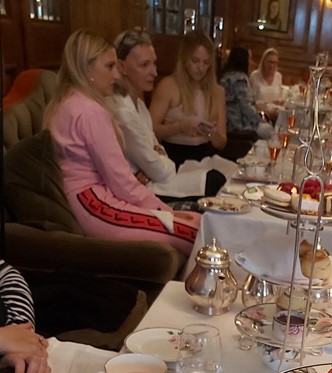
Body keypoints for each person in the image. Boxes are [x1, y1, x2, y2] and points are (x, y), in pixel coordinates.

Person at [45, 29, 199, 257]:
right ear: (87, 69)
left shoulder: (67, 102)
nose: (117, 75)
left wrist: (165, 211)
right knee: (193, 230)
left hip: (91, 199)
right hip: (93, 204)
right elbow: (121, 182)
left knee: (197, 221)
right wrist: (166, 211)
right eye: (109, 67)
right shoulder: (89, 110)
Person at [109, 28, 227, 200]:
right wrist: (162, 153)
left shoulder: (140, 106)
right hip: (146, 185)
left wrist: (157, 156)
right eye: (144, 65)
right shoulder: (123, 112)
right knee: (214, 180)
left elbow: (157, 149)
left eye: (154, 63)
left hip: (162, 170)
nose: (154, 72)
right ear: (122, 67)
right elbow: (161, 167)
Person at [149, 32, 227, 169]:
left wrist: (212, 134)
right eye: (195, 61)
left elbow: (222, 142)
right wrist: (179, 127)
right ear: (185, 60)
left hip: (206, 156)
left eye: (206, 62)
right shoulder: (169, 86)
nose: (201, 68)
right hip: (175, 156)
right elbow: (149, 131)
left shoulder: (217, 92)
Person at [220, 46, 271, 148]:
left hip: (227, 123)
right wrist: (259, 119)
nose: (251, 62)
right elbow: (246, 107)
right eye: (249, 58)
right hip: (237, 125)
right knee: (270, 131)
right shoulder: (240, 79)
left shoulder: (226, 76)